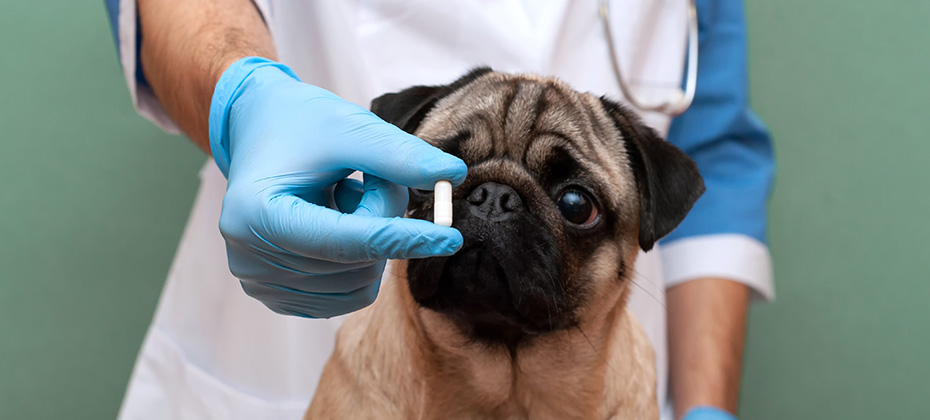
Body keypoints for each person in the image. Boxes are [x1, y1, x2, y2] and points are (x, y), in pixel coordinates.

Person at [104, 1, 775, 419]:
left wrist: (706, 408)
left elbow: (713, 154)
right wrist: (244, 103)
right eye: (443, 187)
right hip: (290, 357)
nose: (491, 208)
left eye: (574, 205)